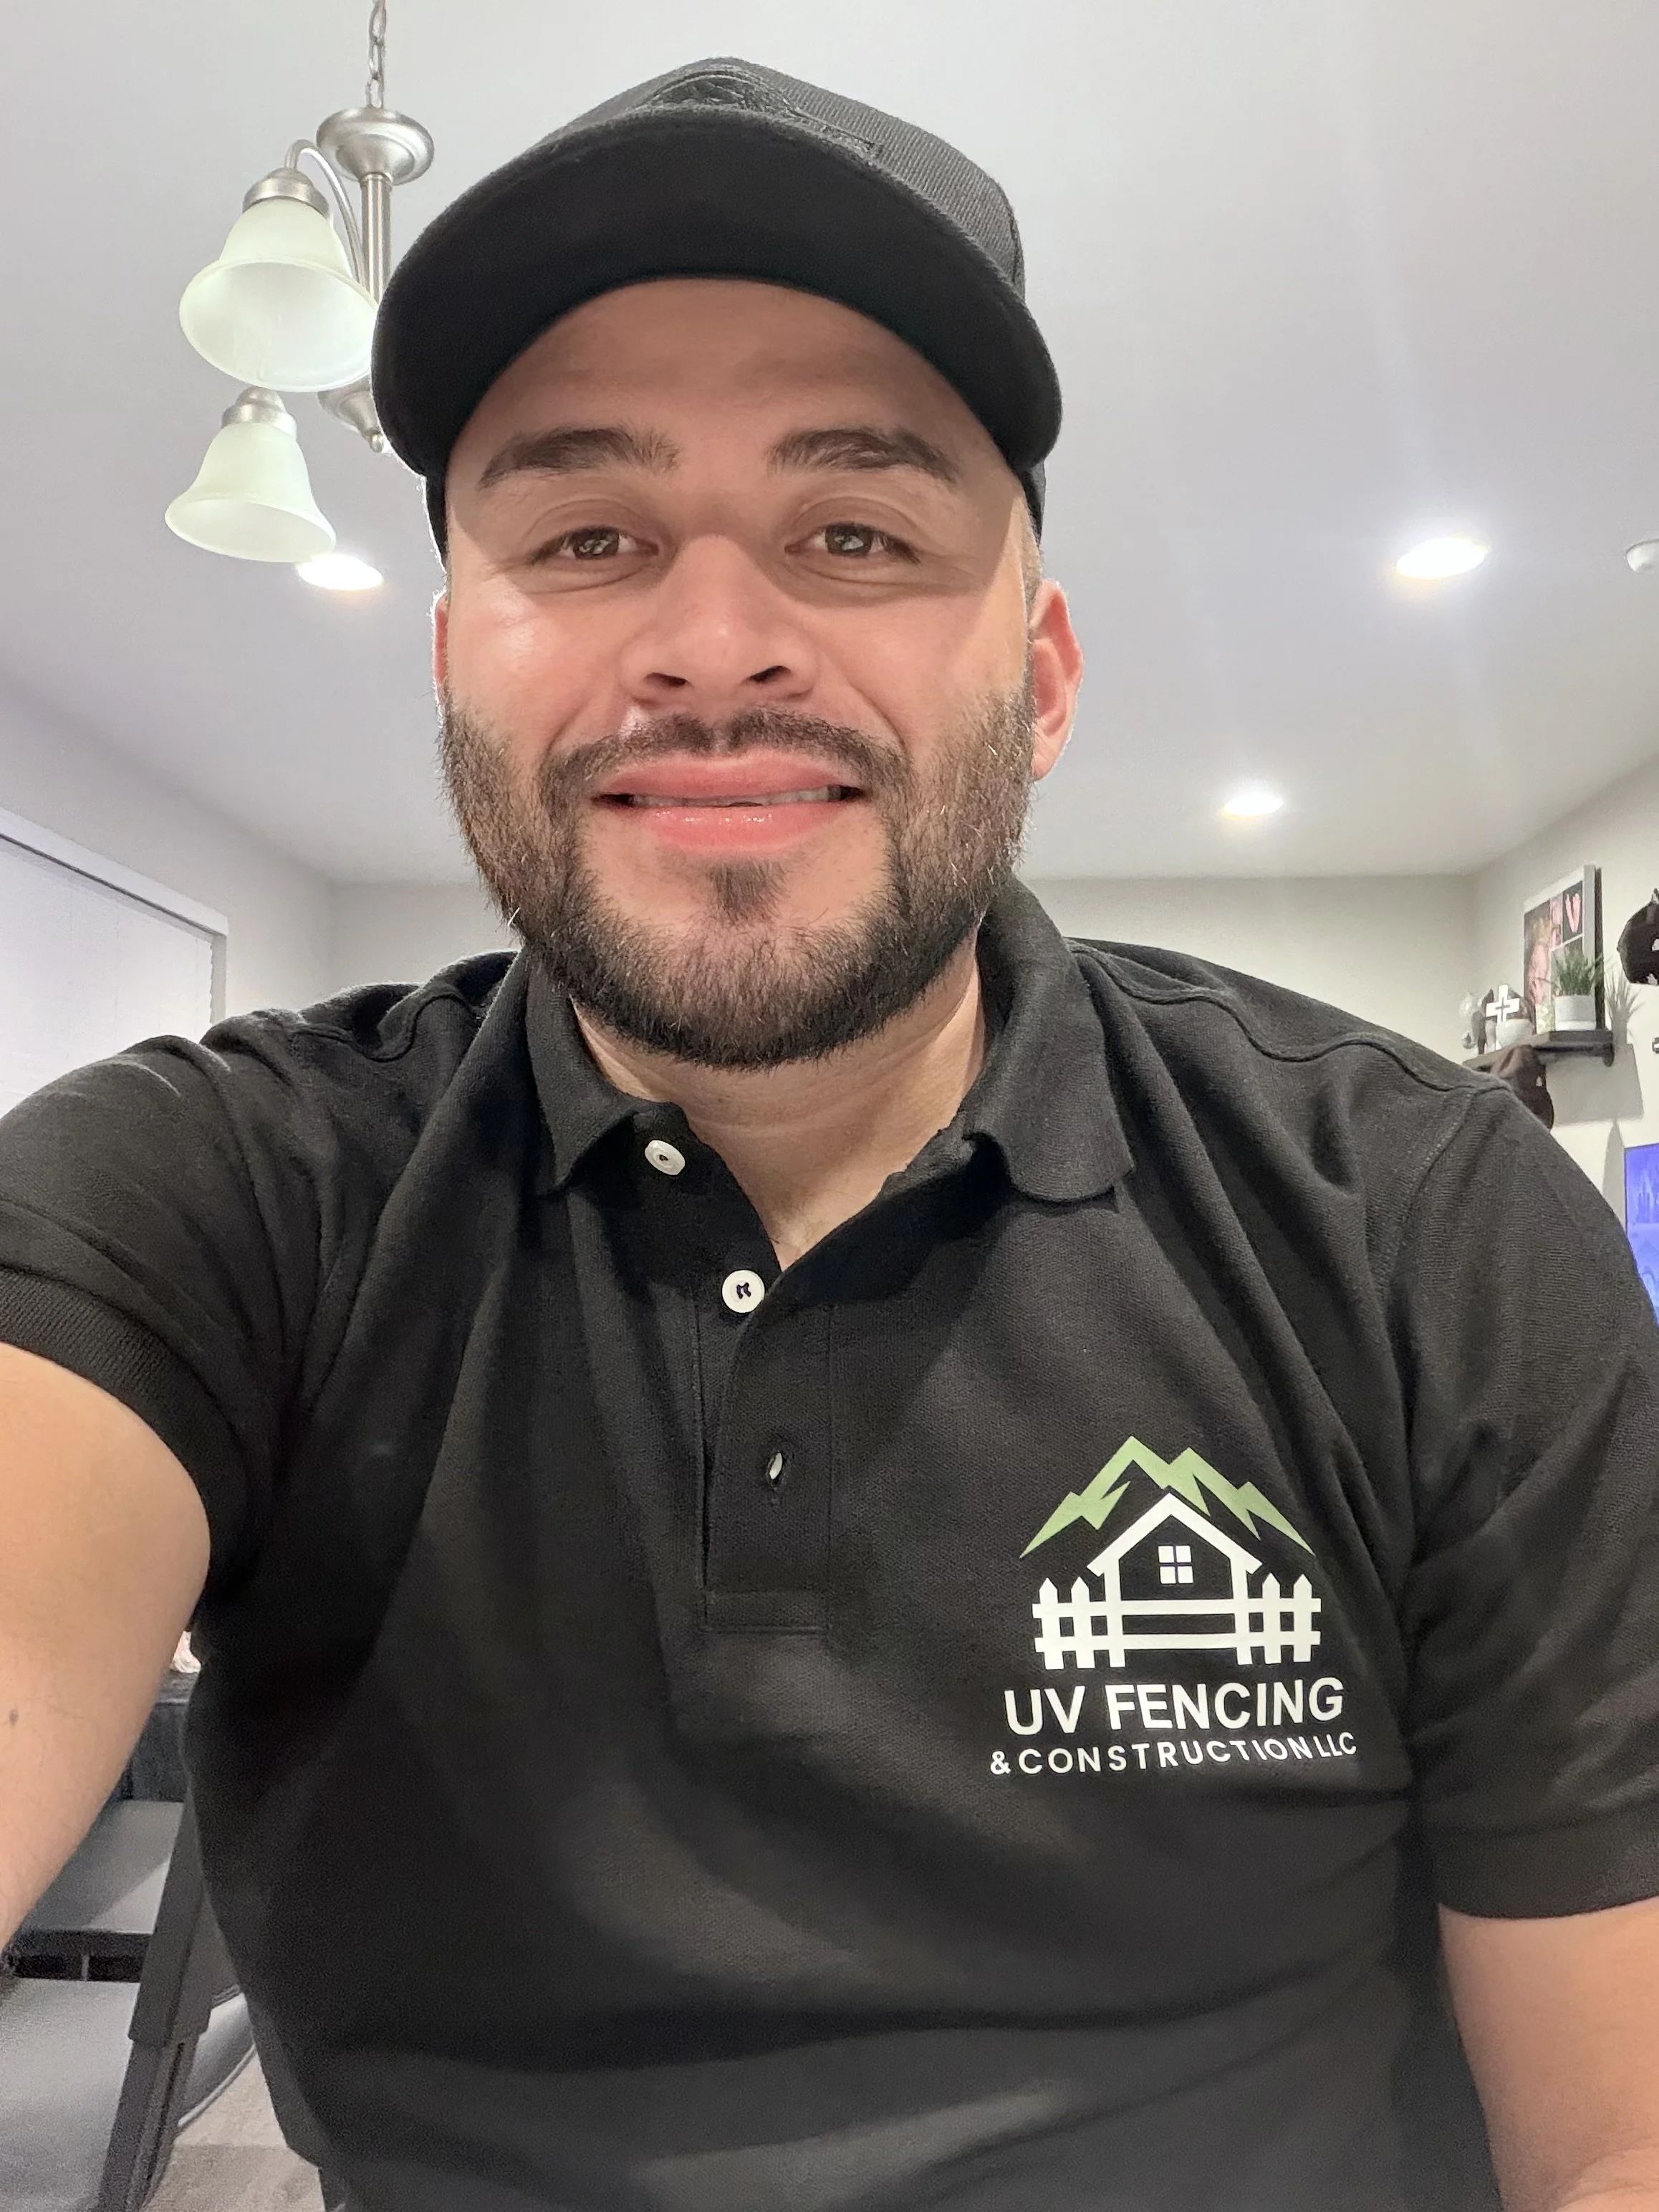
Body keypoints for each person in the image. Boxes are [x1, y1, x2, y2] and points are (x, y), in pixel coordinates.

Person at [2, 57, 1658, 2212]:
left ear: (1039, 680)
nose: (708, 649)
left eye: (854, 533)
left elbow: (1611, 2141)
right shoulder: (214, 1195)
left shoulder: (1426, 1229)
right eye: (584, 536)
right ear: (452, 664)